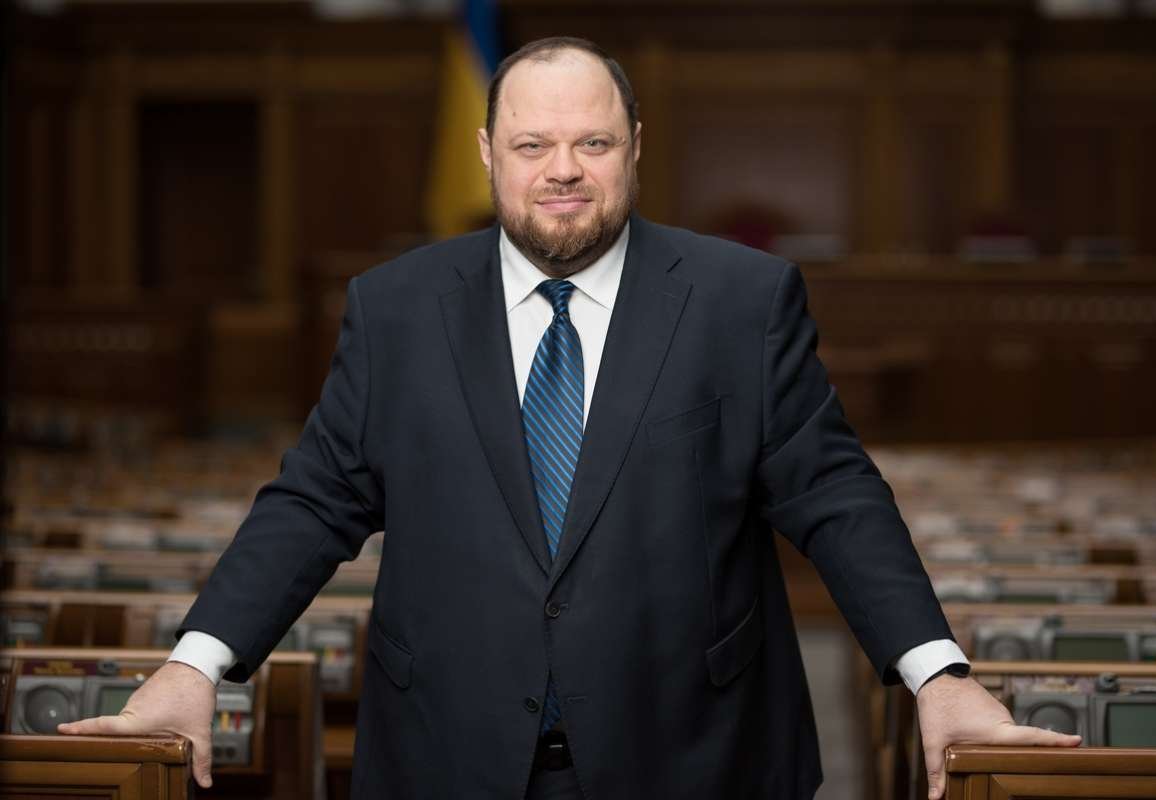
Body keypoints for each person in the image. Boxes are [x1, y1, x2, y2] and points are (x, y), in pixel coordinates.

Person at [59, 36, 1080, 800]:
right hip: (448, 753)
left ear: (633, 147)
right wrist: (196, 663)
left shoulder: (742, 299)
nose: (562, 169)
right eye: (532, 143)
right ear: (487, 152)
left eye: (591, 141)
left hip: (694, 754)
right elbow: (314, 500)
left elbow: (834, 494)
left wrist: (935, 674)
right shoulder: (394, 307)